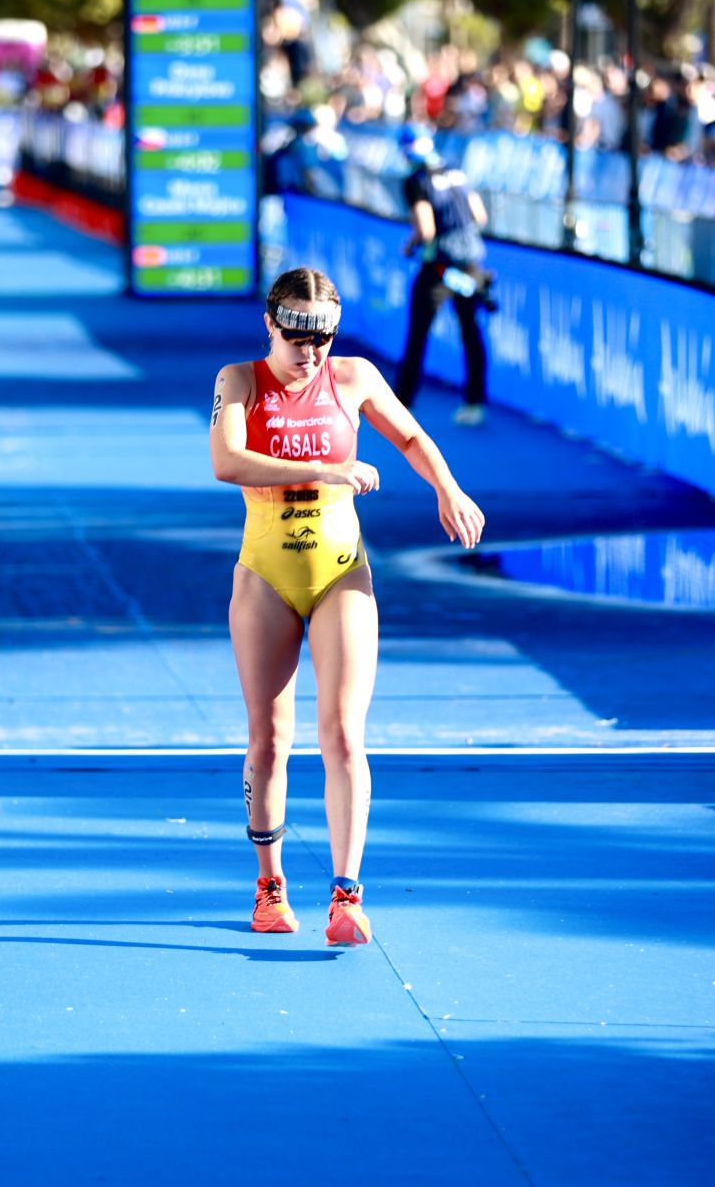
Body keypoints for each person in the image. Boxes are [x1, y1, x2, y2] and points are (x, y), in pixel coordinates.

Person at [209, 267, 486, 945]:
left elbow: (413, 437)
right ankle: (269, 888)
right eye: (298, 337)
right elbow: (228, 461)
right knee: (269, 738)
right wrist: (325, 471)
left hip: (339, 571)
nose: (311, 353)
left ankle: (346, 895)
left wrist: (447, 488)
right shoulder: (238, 381)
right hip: (265, 573)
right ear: (270, 325)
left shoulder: (354, 378)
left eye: (324, 337)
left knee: (343, 732)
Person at [394, 123, 492, 426]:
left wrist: (410, 246)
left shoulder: (416, 181)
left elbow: (426, 230)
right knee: (471, 332)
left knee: (418, 333)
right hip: (470, 263)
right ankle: (475, 403)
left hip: (439, 267)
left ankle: (401, 406)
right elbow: (480, 216)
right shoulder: (455, 171)